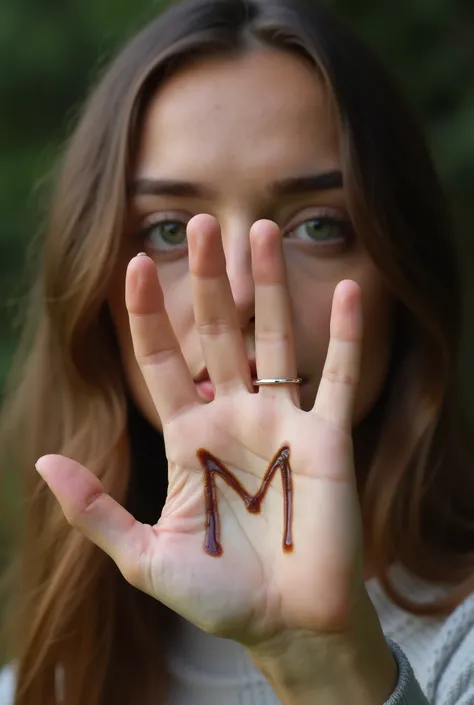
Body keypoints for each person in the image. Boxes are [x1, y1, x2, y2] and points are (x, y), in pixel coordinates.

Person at [1, 0, 473, 703]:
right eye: (166, 232)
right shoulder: (41, 682)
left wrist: (327, 668)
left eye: (317, 225)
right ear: (90, 291)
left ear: (404, 275)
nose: (243, 292)